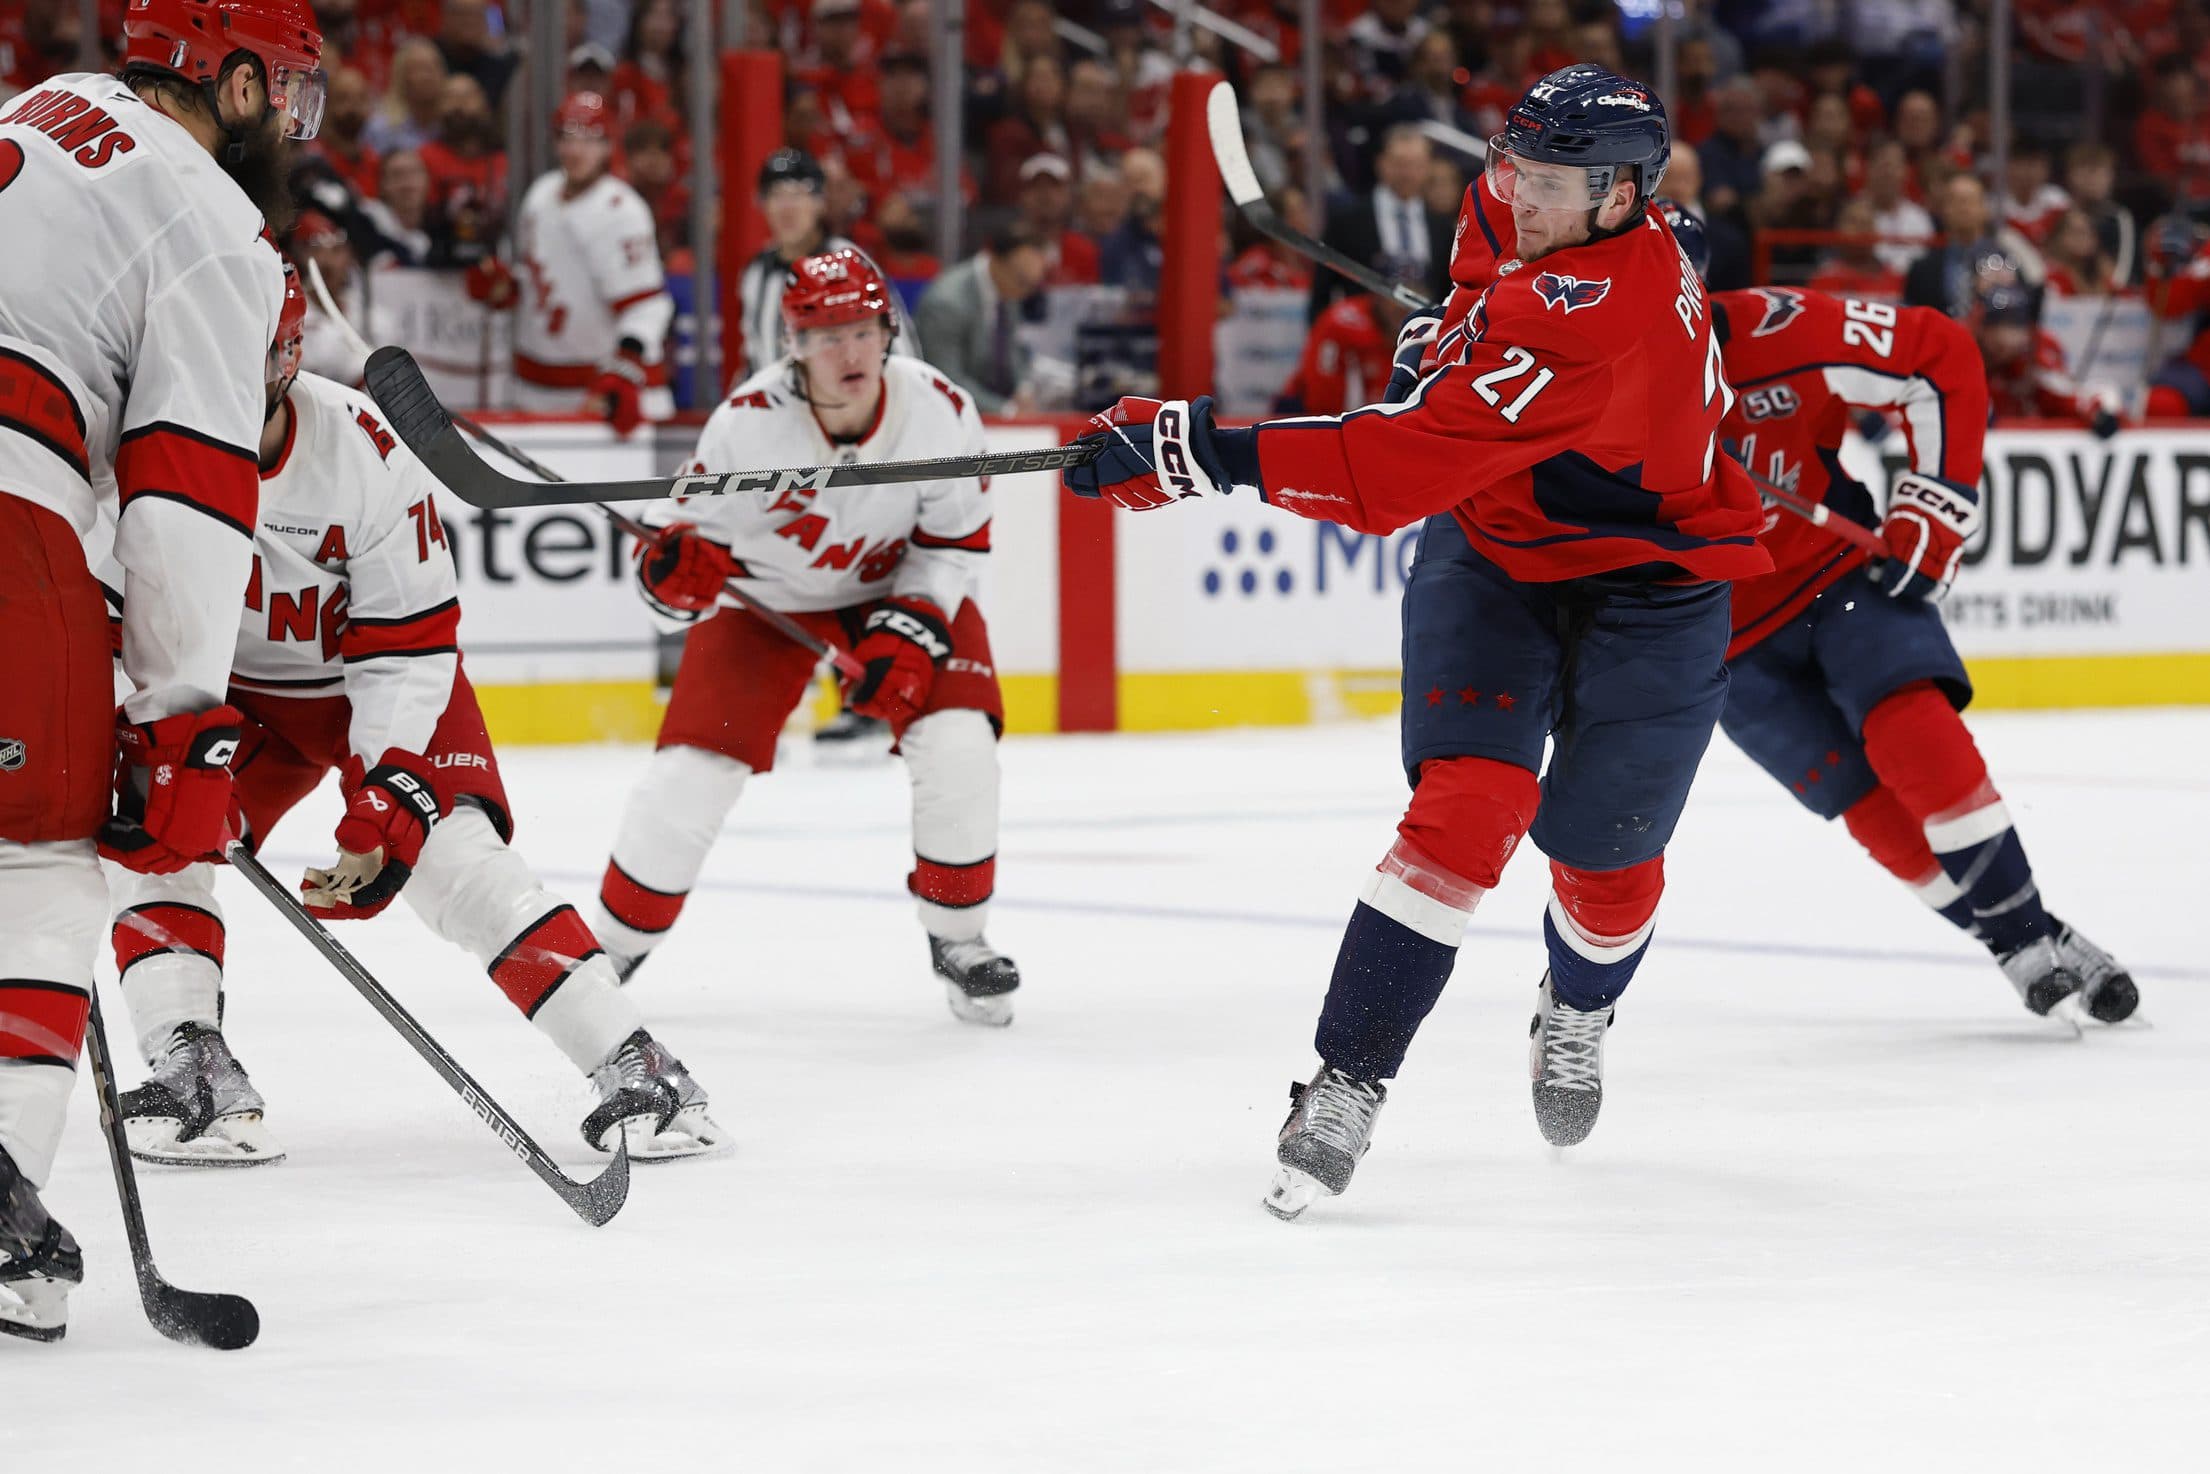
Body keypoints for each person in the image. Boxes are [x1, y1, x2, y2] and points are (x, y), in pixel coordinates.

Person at [1063, 66, 1771, 1217]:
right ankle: (1346, 1079)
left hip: (1658, 575)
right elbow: (1476, 302)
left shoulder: (1607, 307)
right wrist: (1449, 341)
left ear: (1622, 196)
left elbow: (1389, 471)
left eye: (1549, 184)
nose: (1517, 197)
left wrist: (1194, 451)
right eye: (1512, 168)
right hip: (1497, 548)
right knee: (1463, 810)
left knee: (1605, 855)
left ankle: (1578, 1005)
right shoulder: (1515, 210)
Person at [106, 270, 721, 1168]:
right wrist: (146, 739)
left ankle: (639, 1068)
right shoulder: (127, 444)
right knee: (155, 837)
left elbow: (407, 644)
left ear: (284, 357)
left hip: (374, 679)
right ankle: (193, 1066)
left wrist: (383, 796)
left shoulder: (362, 448)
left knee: (455, 861)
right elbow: (97, 608)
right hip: (224, 693)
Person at [0, 0, 323, 1344]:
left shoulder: (42, 108)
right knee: (41, 858)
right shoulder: (206, 213)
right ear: (237, 85)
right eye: (292, 102)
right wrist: (183, 721)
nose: (297, 134)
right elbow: (188, 501)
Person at [1677, 217, 2139, 1026]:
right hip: (1716, 638)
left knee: (1909, 730)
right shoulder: (1580, 377)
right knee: (1869, 809)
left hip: (1836, 576)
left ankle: (2024, 934)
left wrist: (1935, 504)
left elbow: (1939, 354)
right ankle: (2028, 936)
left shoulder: (1779, 326)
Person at [593, 250, 1023, 1026]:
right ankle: (610, 947)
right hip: (766, 602)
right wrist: (671, 578)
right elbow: (668, 555)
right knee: (690, 773)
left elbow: (955, 544)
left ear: (888, 331)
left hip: (897, 588)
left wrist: (915, 623)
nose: (849, 352)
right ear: (792, 346)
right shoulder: (745, 428)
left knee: (959, 743)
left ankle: (960, 938)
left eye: (861, 330)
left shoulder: (940, 410)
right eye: (826, 337)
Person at [507, 91, 673, 433]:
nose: (575, 150)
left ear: (609, 146)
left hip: (602, 394)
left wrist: (623, 373)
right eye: (567, 137)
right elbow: (536, 277)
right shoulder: (540, 195)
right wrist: (505, 288)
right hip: (537, 388)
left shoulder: (621, 211)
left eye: (590, 139)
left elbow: (647, 307)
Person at [735, 147, 917, 380]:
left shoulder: (850, 263)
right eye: (776, 194)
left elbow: (899, 348)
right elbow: (755, 356)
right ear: (762, 204)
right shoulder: (756, 273)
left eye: (799, 193)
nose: (787, 207)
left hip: (847, 411)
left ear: (820, 202)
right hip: (780, 412)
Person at [1307, 123, 1451, 321]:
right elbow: (1322, 293)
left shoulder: (1443, 228)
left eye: (1416, 164)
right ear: (1381, 163)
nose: (1408, 173)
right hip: (1362, 339)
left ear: (1428, 168)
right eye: (1400, 163)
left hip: (1424, 341)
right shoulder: (1346, 223)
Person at [914, 223, 1050, 415]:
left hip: (994, 407)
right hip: (948, 416)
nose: (1026, 293)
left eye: (1033, 285)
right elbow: (946, 380)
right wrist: (1006, 410)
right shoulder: (947, 303)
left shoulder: (1010, 288)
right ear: (996, 260)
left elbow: (1015, 350)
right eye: (1022, 281)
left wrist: (1024, 390)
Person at [1974, 282, 2122, 434]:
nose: (2004, 335)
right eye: (1997, 323)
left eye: (2014, 324)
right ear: (1982, 327)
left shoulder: (2037, 350)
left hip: (2024, 443)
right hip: (1981, 440)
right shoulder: (1967, 347)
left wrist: (2096, 413)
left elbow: (2066, 394)